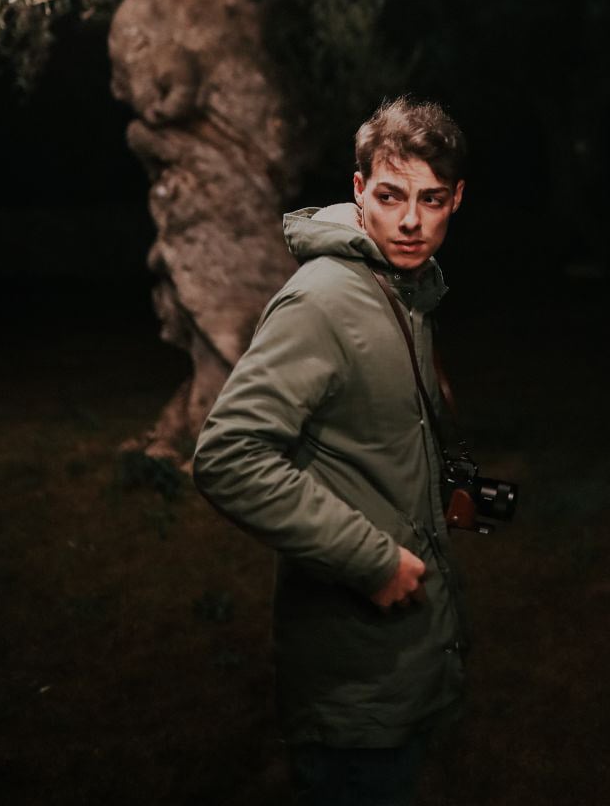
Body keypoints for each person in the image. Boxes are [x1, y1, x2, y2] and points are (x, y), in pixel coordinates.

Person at [192, 96, 470, 806]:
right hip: (353, 678)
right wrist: (370, 559)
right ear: (358, 190)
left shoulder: (401, 288)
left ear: (456, 200)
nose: (411, 221)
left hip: (403, 654)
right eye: (391, 196)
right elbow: (228, 454)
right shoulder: (321, 300)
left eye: (431, 199)